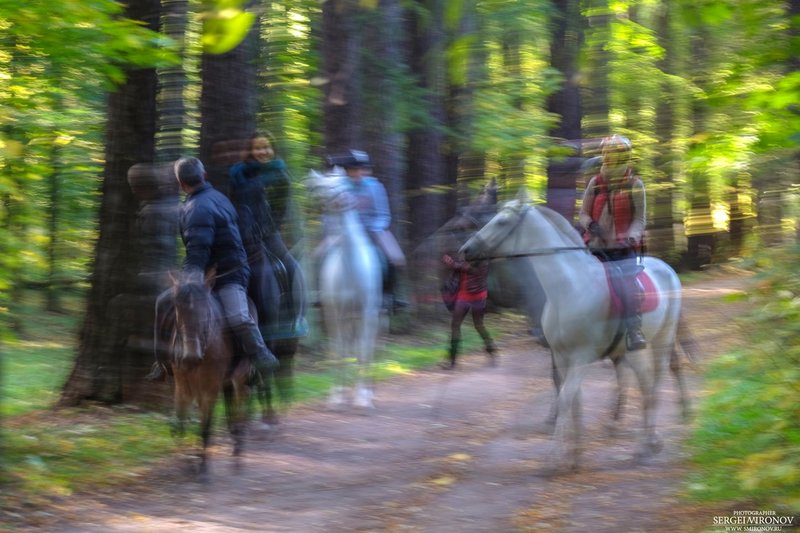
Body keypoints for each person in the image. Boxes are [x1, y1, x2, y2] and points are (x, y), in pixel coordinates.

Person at [147, 156, 278, 380]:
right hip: (218, 269)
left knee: (237, 314)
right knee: (164, 301)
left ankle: (261, 354)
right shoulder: (216, 197)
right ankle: (162, 362)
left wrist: (191, 280)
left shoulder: (198, 208)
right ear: (204, 175)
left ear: (180, 183)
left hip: (228, 275)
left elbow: (199, 249)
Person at [228, 132, 306, 336]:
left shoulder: (280, 176)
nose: (263, 151)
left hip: (268, 233)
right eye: (258, 147)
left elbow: (280, 210)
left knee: (292, 267)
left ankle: (297, 318)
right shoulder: (238, 173)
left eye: (266, 147)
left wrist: (266, 230)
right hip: (241, 233)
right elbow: (234, 203)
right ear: (251, 151)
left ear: (273, 149)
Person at [578, 134, 647, 350]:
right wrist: (591, 225)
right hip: (595, 246)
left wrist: (631, 237)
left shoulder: (635, 184)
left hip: (623, 248)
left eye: (612, 153)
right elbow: (583, 213)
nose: (607, 156)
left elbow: (640, 218)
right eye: (605, 152)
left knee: (626, 285)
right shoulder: (595, 183)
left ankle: (634, 330)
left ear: (623, 156)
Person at [329, 149, 407, 309]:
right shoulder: (339, 187)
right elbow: (331, 213)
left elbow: (383, 215)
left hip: (373, 231)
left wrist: (373, 230)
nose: (358, 173)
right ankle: (323, 294)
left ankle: (389, 296)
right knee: (322, 254)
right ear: (347, 171)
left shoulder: (375, 187)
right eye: (354, 169)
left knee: (395, 258)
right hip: (345, 231)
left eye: (361, 169)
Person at [439, 253, 497, 369]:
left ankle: (491, 350)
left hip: (478, 297)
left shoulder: (483, 261)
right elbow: (460, 266)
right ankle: (452, 361)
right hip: (464, 296)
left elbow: (469, 269)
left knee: (478, 325)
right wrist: (452, 262)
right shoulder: (467, 256)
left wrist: (452, 263)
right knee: (455, 325)